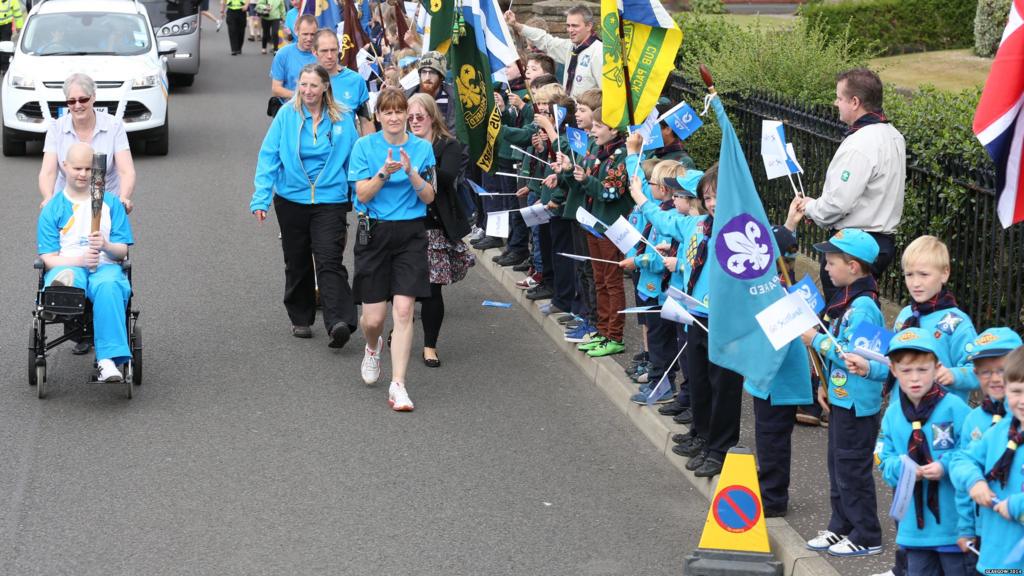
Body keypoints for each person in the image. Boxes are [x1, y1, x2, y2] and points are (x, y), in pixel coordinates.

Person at [250, 64, 359, 347]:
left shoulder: (343, 118)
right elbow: (269, 156)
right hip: (291, 199)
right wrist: (260, 198)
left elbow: (354, 163)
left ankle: (338, 322)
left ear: (325, 87)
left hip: (330, 200)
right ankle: (301, 317)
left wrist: (360, 199)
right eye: (303, 85)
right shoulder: (287, 115)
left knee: (329, 259)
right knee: (297, 260)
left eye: (313, 85)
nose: (308, 91)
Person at [348, 88, 436, 412]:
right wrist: (385, 172)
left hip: (411, 233)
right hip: (374, 232)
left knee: (403, 311)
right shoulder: (363, 147)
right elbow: (363, 194)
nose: (396, 118)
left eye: (401, 112)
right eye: (389, 112)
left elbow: (429, 196)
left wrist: (411, 171)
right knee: (373, 319)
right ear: (380, 116)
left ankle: (398, 384)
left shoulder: (423, 149)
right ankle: (373, 346)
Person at [800, 229, 885, 557]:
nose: (825, 267)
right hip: (841, 397)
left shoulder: (863, 307)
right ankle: (841, 526)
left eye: (831, 262)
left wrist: (815, 340)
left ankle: (867, 533)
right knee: (838, 466)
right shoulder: (848, 298)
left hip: (857, 404)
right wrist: (824, 384)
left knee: (852, 469)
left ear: (853, 267)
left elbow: (854, 356)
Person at [796, 68, 905, 301]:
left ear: (855, 102)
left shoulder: (861, 142)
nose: (835, 103)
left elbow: (838, 203)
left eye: (839, 98)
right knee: (861, 304)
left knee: (842, 313)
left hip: (852, 246)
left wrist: (810, 208)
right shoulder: (894, 135)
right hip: (883, 242)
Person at [876, 328, 972, 575]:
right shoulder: (892, 415)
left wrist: (945, 466)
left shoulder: (954, 408)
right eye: (906, 371)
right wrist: (905, 468)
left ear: (937, 367)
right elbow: (884, 461)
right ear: (894, 371)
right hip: (913, 530)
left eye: (923, 369)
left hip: (954, 525)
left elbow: (972, 452)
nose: (914, 378)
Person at [38, 143, 134, 383]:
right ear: (65, 167)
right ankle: (59, 296)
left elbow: (122, 250)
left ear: (97, 172)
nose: (82, 174)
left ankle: (107, 362)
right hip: (67, 264)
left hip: (105, 266)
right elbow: (48, 258)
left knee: (109, 285)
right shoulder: (52, 209)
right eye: (77, 168)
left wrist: (105, 246)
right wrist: (80, 259)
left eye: (89, 169)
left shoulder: (111, 204)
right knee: (67, 277)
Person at [407, 93, 472, 368]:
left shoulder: (449, 145)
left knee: (433, 290)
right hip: (403, 223)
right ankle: (399, 330)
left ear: (432, 117)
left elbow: (446, 178)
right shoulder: (399, 143)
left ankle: (429, 345)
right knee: (403, 289)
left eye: (419, 116)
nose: (413, 121)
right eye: (409, 117)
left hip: (433, 225)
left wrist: (416, 166)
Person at [562, 106, 632, 358]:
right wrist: (572, 172)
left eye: (598, 126)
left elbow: (610, 192)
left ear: (613, 129)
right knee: (599, 279)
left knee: (612, 282)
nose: (592, 131)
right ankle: (602, 331)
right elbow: (585, 187)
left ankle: (615, 335)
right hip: (593, 224)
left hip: (611, 228)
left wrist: (586, 180)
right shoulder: (600, 152)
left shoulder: (622, 155)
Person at [948, 347, 1024, 576]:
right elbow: (960, 459)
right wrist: (974, 481)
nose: (1022, 401)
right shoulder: (999, 432)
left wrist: (1015, 505)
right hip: (995, 560)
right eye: (1017, 391)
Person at [890, 235, 978, 402]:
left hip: (941, 419)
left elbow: (977, 370)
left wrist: (953, 375)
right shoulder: (905, 315)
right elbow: (892, 364)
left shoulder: (957, 322)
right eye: (909, 274)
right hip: (901, 414)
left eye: (924, 274)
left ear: (945, 274)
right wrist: (868, 368)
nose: (915, 283)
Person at [39, 73, 136, 214]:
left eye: (83, 99)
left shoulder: (114, 126)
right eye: (71, 101)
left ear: (94, 97)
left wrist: (124, 198)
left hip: (105, 202)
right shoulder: (56, 128)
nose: (77, 105)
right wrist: (48, 197)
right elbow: (48, 172)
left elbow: (126, 171)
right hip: (67, 204)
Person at [504, 4, 601, 98]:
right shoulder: (570, 47)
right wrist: (515, 25)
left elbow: (607, 93)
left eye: (575, 26)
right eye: (568, 26)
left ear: (589, 26)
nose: (570, 30)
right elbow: (545, 40)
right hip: (570, 111)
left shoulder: (599, 52)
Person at [312, 29, 374, 135]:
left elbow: (366, 122)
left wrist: (369, 150)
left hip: (348, 150)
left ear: (339, 50)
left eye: (333, 50)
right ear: (314, 52)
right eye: (324, 51)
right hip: (316, 149)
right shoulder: (307, 80)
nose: (330, 56)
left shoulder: (356, 80)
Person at [403, 51, 456, 133]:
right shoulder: (407, 97)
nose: (427, 77)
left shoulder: (454, 98)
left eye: (432, 72)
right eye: (424, 72)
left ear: (441, 76)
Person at [270, 15, 317, 102]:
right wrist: (302, 96)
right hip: (291, 109)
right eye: (305, 34)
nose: (309, 38)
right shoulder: (283, 54)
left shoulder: (322, 55)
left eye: (312, 34)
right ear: (296, 31)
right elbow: (276, 89)